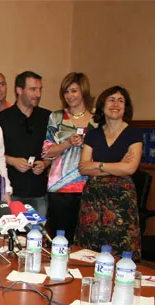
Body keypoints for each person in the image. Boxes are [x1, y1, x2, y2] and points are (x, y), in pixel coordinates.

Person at [76, 86, 143, 259]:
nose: (116, 104)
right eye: (111, 100)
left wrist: (97, 165)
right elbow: (83, 168)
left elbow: (129, 168)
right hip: (93, 200)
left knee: (120, 252)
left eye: (121, 101)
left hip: (121, 200)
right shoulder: (93, 135)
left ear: (126, 107)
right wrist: (117, 166)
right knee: (88, 252)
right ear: (102, 105)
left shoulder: (134, 134)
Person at [42, 73, 96, 243]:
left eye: (74, 91)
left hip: (89, 186)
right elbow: (47, 152)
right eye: (66, 91)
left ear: (83, 91)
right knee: (60, 239)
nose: (69, 95)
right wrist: (68, 143)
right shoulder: (56, 117)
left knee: (85, 240)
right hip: (60, 187)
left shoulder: (97, 119)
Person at [0, 71, 51, 216]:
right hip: (11, 192)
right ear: (19, 90)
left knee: (39, 230)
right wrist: (13, 161)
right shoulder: (0, 120)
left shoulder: (48, 118)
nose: (38, 94)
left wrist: (45, 163)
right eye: (33, 89)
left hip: (39, 192)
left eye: (40, 89)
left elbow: (54, 150)